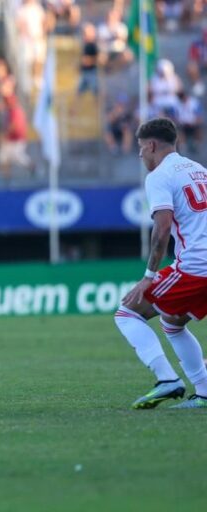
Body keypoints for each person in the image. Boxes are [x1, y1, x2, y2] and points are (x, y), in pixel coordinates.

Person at [114, 117, 207, 410]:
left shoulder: (159, 176)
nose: (140, 155)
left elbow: (162, 228)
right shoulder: (199, 170)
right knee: (173, 322)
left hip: (196, 267)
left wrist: (149, 276)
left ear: (152, 145)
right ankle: (204, 393)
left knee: (127, 312)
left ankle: (167, 380)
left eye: (141, 149)